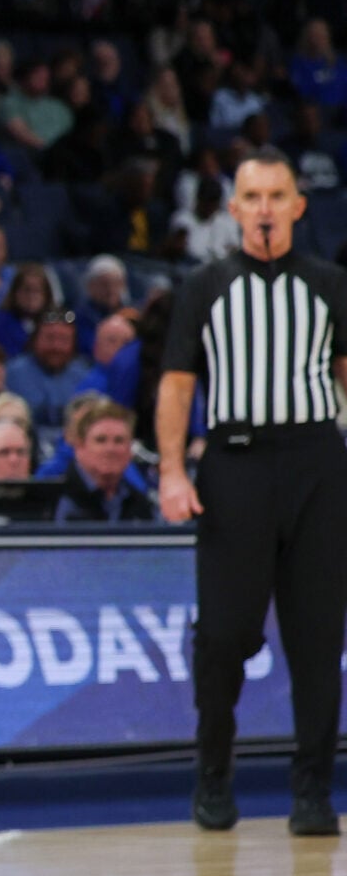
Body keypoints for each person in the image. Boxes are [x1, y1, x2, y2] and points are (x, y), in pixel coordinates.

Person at [157, 149, 347, 837]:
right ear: (232, 208)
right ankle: (213, 775)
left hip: (317, 462)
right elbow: (178, 383)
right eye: (251, 195)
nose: (264, 206)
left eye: (276, 194)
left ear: (299, 204)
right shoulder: (204, 286)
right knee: (226, 634)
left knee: (319, 639)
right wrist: (172, 471)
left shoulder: (332, 285)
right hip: (234, 463)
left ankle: (313, 792)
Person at [53, 400, 152, 524]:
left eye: (119, 440)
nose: (110, 449)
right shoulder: (53, 500)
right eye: (101, 440)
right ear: (79, 446)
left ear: (130, 450)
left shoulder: (141, 504)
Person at [6, 309, 92, 430]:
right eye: (49, 338)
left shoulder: (83, 374)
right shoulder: (13, 373)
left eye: (63, 340)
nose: (56, 346)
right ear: (35, 339)